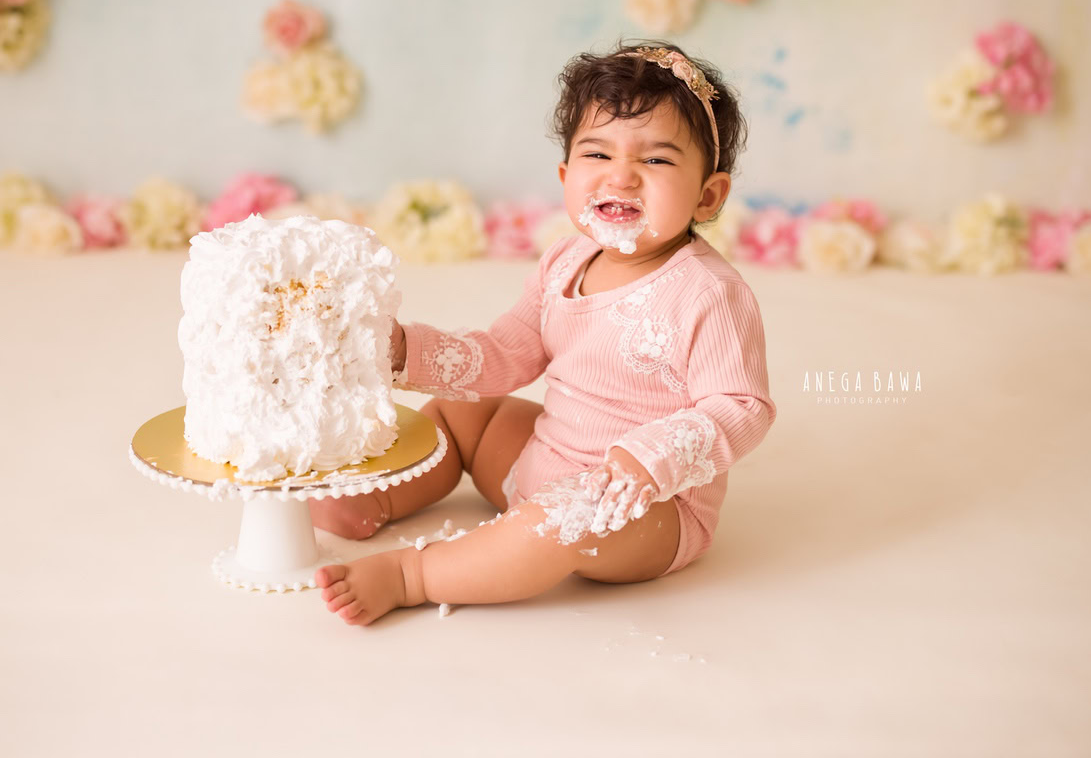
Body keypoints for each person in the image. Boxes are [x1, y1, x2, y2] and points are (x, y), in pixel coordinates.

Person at [308, 40, 777, 625]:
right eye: (597, 155)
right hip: (543, 461)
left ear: (708, 194)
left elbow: (743, 405)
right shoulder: (564, 261)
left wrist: (653, 458)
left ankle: (414, 574)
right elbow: (504, 353)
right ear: (566, 175)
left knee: (567, 516)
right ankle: (376, 496)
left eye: (656, 161)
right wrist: (407, 349)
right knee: (463, 416)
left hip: (642, 508)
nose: (622, 176)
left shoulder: (708, 293)